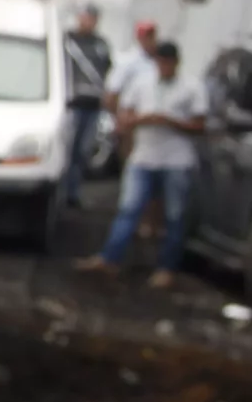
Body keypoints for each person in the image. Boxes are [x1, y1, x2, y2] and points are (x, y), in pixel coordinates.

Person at [80, 39, 204, 286]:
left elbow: (200, 124)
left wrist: (170, 122)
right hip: (144, 156)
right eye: (161, 63)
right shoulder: (142, 83)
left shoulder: (192, 87)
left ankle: (167, 268)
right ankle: (110, 259)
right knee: (129, 209)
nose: (164, 67)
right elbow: (124, 116)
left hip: (176, 160)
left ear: (176, 63)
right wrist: (139, 121)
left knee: (174, 215)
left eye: (168, 63)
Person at [58, 3, 113, 210]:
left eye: (92, 18)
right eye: (85, 17)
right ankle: (59, 192)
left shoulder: (101, 44)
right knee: (64, 149)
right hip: (70, 103)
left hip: (92, 105)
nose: (88, 21)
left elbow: (108, 70)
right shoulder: (67, 41)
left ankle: (73, 193)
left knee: (82, 151)